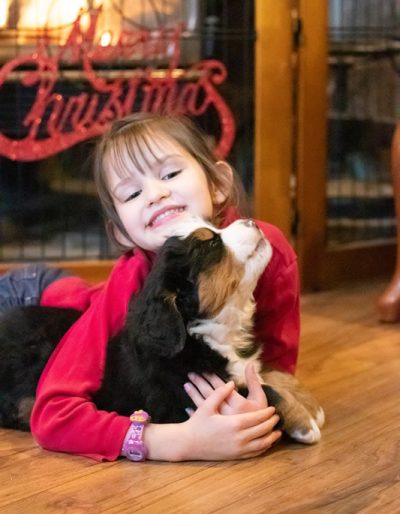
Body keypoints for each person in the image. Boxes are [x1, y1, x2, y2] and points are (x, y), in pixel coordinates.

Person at [0, 113, 301, 462]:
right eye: (131, 193)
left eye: (170, 174)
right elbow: (54, 416)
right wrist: (175, 441)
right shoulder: (130, 285)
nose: (156, 194)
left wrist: (252, 408)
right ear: (122, 234)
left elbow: (275, 369)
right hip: (26, 300)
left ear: (218, 183)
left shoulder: (266, 248)